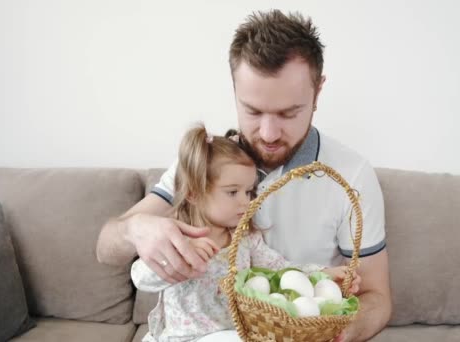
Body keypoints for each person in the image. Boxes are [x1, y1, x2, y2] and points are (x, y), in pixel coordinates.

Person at [96, 10, 391, 342]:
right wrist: (135, 230)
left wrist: (331, 333)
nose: (267, 133)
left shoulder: (351, 175)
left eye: (288, 113)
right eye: (252, 110)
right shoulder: (205, 163)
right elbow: (106, 247)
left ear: (317, 92)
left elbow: (377, 298)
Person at [131, 125, 361, 342]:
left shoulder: (246, 240)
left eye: (249, 192)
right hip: (185, 338)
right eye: (232, 192)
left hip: (233, 335)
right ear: (194, 194)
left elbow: (280, 269)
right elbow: (140, 278)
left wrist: (321, 275)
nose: (246, 202)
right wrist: (180, 256)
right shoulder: (177, 237)